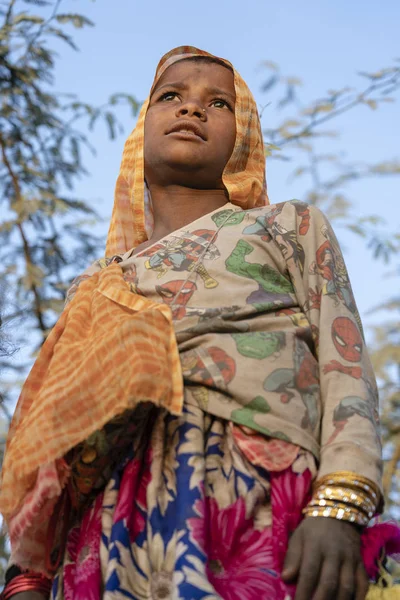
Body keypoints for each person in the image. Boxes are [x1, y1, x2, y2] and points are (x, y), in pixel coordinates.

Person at [0, 46, 399, 600]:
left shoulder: (287, 226)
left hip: (258, 489)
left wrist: (340, 500)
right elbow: (50, 437)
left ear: (245, 139)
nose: (192, 110)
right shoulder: (96, 284)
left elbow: (346, 365)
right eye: (172, 97)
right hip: (106, 526)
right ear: (142, 130)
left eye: (218, 102)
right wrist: (28, 577)